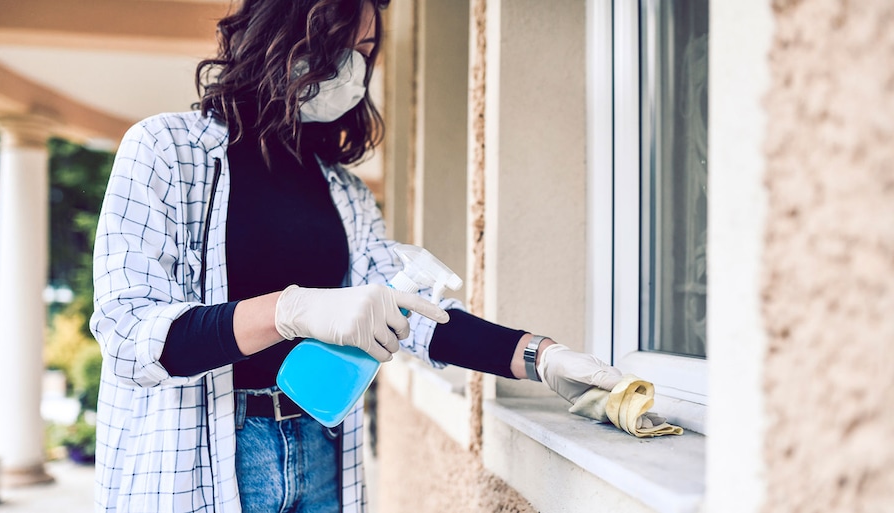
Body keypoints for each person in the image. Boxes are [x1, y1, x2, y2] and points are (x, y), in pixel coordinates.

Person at [89, 0, 623, 512]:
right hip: (206, 450)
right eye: (335, 44)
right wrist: (288, 311)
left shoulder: (345, 192)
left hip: (319, 447)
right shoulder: (165, 151)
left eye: (365, 50)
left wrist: (540, 357)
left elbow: (413, 314)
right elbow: (130, 334)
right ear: (273, 34)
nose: (353, 67)